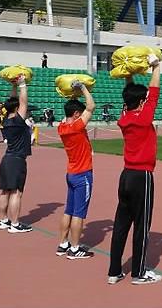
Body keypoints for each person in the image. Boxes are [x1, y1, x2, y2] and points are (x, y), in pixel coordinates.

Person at [107, 54, 162, 285]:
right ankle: (139, 273)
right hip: (142, 177)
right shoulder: (143, 115)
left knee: (121, 224)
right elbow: (154, 92)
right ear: (141, 102)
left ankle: (114, 271)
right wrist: (156, 66)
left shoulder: (125, 115)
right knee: (142, 225)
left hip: (126, 176)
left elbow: (129, 94)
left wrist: (128, 73)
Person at [56, 81, 96, 259]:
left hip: (71, 173)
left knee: (69, 210)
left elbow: (71, 111)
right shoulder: (77, 126)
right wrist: (83, 88)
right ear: (77, 114)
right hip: (83, 174)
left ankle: (63, 243)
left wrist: (72, 95)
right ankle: (74, 248)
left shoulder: (62, 127)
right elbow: (91, 106)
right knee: (79, 213)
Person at [0, 75, 33, 233]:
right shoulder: (18, 120)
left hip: (6, 159)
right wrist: (22, 84)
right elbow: (23, 102)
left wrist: (13, 86)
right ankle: (15, 224)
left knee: (5, 191)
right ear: (17, 108)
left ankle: (4, 220)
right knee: (16, 192)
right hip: (17, 160)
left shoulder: (6, 119)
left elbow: (11, 103)